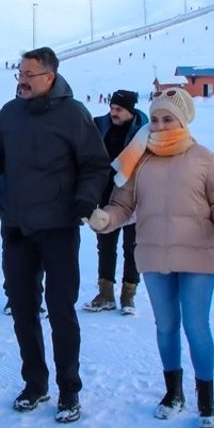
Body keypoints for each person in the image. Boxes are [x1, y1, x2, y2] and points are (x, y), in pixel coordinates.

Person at [0, 47, 110, 424]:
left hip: (59, 228)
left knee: (62, 312)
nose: (21, 80)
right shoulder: (10, 113)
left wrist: (84, 200)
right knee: (23, 310)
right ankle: (35, 384)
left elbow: (96, 165)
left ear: (49, 77)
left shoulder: (73, 114)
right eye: (19, 73)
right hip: (16, 226)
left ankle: (69, 390)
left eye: (29, 74)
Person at [87, 88, 214, 428]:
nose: (159, 125)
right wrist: (106, 219)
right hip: (154, 254)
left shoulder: (204, 158)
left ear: (183, 120)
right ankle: (173, 394)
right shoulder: (139, 160)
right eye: (155, 119)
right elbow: (123, 205)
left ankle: (206, 401)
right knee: (166, 327)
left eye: (167, 118)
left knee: (197, 328)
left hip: (198, 255)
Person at [83, 89, 148, 315]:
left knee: (133, 247)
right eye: (111, 108)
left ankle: (128, 296)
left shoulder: (145, 132)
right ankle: (106, 293)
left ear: (130, 111)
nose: (113, 113)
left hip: (134, 199)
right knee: (105, 246)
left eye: (118, 109)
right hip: (105, 197)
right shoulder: (100, 126)